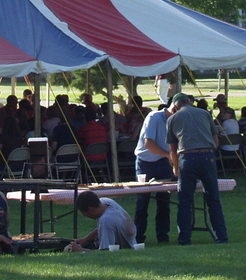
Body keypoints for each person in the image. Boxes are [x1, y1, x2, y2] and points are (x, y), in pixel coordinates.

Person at [167, 93, 228, 245]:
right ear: (190, 102)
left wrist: (176, 168)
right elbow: (216, 140)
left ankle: (184, 239)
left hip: (187, 158)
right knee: (213, 199)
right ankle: (221, 237)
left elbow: (172, 149)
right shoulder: (205, 113)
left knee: (185, 201)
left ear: (175, 106)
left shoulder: (172, 119)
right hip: (207, 156)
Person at [133, 102, 174, 244]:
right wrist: (168, 155)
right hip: (145, 163)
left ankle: (163, 237)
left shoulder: (176, 119)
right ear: (173, 108)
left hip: (163, 162)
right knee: (142, 203)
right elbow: (148, 143)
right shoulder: (154, 117)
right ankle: (138, 238)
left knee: (164, 202)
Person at [65, 189, 137, 251]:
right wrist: (86, 239)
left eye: (85, 214)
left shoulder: (105, 220)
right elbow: (125, 215)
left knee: (67, 249)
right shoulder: (107, 201)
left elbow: (105, 252)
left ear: (91, 209)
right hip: (133, 243)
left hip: (125, 248)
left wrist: (81, 250)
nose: (85, 216)